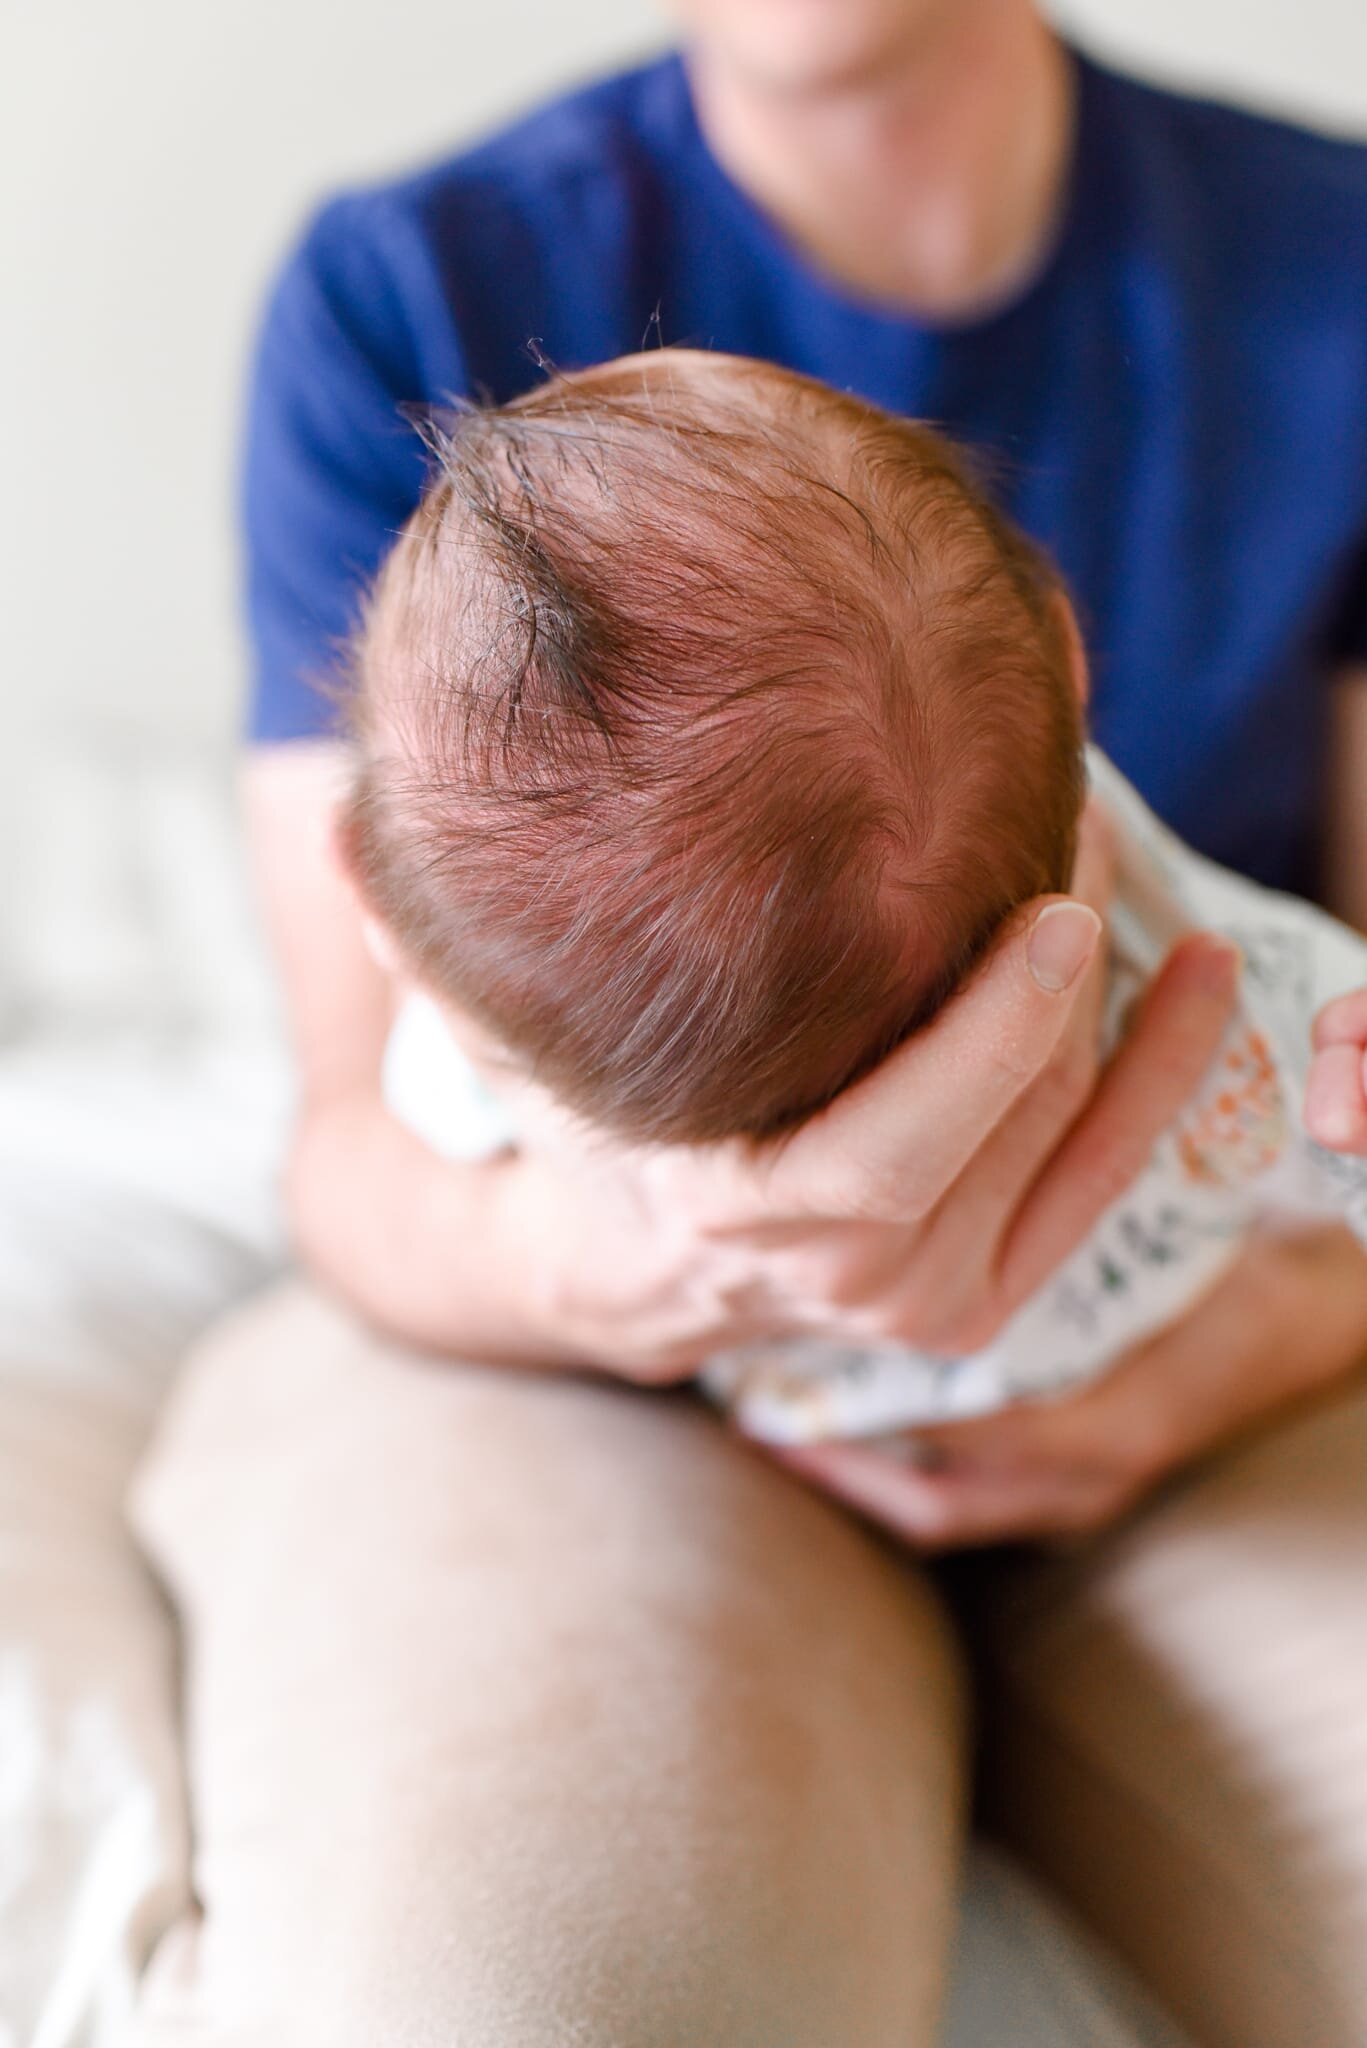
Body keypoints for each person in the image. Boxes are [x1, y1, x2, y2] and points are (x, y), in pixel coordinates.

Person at [129, 4, 1367, 2044]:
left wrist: (1240, 1347)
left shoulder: (1328, 269)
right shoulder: (406, 287)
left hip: (1217, 1352)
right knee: (538, 1991)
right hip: (573, 1371)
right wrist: (636, 1258)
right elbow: (350, 1149)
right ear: (1065, 656)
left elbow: (412, 1024)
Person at [345, 347, 1367, 1444]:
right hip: (1092, 1362)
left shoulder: (477, 1051)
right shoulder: (1210, 971)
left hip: (770, 1416)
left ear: (382, 911)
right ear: (1068, 652)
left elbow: (387, 1138)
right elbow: (1336, 1087)